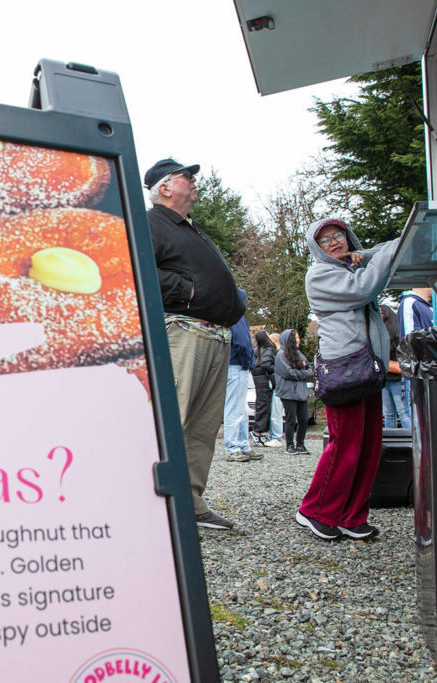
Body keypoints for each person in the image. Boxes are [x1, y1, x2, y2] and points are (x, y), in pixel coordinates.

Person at [145, 158, 246, 531]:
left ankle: (189, 503)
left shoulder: (190, 228)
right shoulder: (150, 222)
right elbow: (137, 267)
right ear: (166, 187)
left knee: (201, 428)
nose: (194, 181)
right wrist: (187, 291)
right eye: (187, 176)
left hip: (214, 336)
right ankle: (149, 507)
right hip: (183, 334)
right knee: (173, 421)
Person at [297, 217, 398, 541]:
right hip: (344, 368)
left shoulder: (346, 268)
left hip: (366, 366)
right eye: (325, 240)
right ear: (317, 249)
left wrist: (362, 256)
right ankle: (316, 511)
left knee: (369, 445)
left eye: (338, 235)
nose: (334, 242)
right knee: (347, 445)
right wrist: (384, 252)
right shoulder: (320, 275)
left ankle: (352, 516)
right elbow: (364, 288)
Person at [222, 292, 261, 462]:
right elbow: (243, 343)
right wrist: (248, 363)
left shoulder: (228, 315)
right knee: (235, 410)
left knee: (242, 411)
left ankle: (243, 446)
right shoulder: (237, 317)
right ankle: (232, 448)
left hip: (234, 366)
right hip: (237, 366)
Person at [397, 287, 434, 418]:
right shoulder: (410, 303)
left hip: (430, 372)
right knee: (421, 416)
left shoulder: (428, 306)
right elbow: (409, 340)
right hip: (420, 373)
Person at [274, 329, 312, 454]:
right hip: (288, 392)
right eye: (296, 338)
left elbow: (309, 369)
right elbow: (288, 373)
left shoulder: (300, 354)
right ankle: (289, 445)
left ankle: (300, 444)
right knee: (290, 419)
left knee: (304, 419)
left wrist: (302, 373)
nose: (298, 340)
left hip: (301, 392)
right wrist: (304, 373)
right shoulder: (281, 355)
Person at [380, 303, 410, 428]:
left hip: (396, 377)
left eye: (381, 313)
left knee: (402, 412)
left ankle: (409, 439)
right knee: (389, 413)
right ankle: (393, 441)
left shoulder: (396, 333)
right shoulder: (381, 331)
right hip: (385, 377)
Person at [250, 330, 276, 443]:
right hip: (265, 381)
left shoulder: (257, 350)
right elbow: (266, 364)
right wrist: (277, 370)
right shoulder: (268, 350)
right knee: (264, 405)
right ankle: (258, 431)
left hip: (258, 380)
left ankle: (259, 430)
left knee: (260, 404)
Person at [267, 333, 285, 446]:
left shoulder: (279, 354)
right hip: (278, 385)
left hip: (279, 386)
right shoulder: (280, 353)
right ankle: (275, 435)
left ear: (273, 341)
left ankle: (276, 437)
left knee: (276, 413)